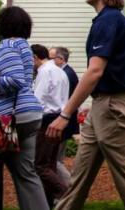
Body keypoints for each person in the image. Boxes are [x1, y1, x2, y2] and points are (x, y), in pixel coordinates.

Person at [46, 0, 125, 210]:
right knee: (78, 179)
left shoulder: (110, 19)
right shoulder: (105, 20)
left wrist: (65, 114)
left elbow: (95, 71)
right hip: (102, 106)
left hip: (113, 107)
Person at [0, 6, 49, 210]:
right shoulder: (24, 48)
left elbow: (16, 80)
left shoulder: (8, 46)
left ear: (2, 25)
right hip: (27, 117)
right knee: (26, 175)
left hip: (4, 119)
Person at [31, 44, 70, 207]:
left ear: (35, 57)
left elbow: (37, 101)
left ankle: (67, 195)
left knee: (40, 166)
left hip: (46, 122)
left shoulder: (44, 72)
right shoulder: (60, 72)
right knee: (51, 166)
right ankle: (47, 204)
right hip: (59, 119)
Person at [49, 45, 78, 186]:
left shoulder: (65, 74)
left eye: (51, 59)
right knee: (57, 159)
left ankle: (70, 188)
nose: (48, 62)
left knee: (55, 160)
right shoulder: (66, 72)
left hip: (64, 122)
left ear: (60, 59)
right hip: (66, 121)